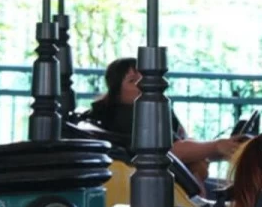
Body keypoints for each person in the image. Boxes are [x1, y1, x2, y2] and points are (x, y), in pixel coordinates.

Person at [83, 57, 243, 183]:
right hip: (147, 185)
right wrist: (216, 147)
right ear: (117, 93)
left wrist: (226, 149)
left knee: (198, 165)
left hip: (170, 179)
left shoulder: (155, 109)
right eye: (132, 81)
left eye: (144, 77)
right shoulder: (123, 116)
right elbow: (166, 151)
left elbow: (184, 146)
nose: (143, 84)